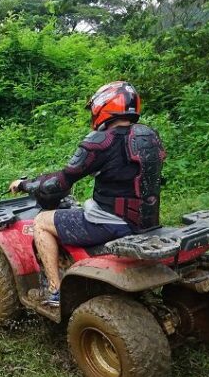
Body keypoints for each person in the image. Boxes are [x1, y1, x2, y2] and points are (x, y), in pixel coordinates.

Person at [9, 81, 166, 307]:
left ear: (103, 105)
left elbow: (59, 182)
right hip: (145, 221)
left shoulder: (101, 141)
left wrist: (25, 184)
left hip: (111, 223)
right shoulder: (149, 136)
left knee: (41, 222)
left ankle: (55, 290)